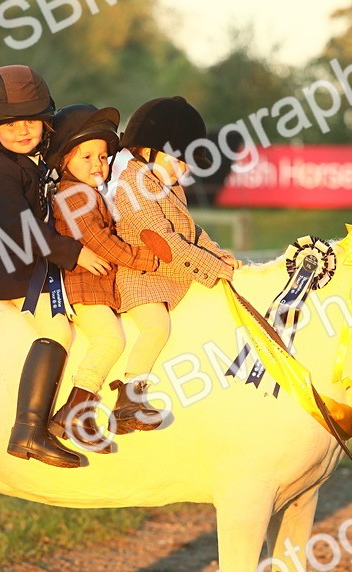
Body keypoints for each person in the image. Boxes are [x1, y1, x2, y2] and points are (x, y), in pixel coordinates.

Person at [0, 65, 111, 468]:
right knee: (57, 329)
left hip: (37, 268)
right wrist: (75, 253)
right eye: (10, 124)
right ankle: (29, 429)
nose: (23, 129)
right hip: (12, 272)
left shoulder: (32, 162)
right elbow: (25, 231)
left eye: (31, 120)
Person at [108, 96, 242, 426]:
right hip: (141, 278)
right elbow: (166, 246)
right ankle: (129, 398)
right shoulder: (130, 187)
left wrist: (218, 254)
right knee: (156, 327)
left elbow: (189, 232)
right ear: (147, 149)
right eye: (178, 160)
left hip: (169, 277)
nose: (184, 169)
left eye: (187, 163)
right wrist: (215, 269)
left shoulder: (167, 186)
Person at [45, 103, 159, 452]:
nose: (98, 164)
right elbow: (99, 241)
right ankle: (73, 410)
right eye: (87, 157)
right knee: (110, 341)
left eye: (104, 156)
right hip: (83, 289)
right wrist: (142, 259)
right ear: (65, 162)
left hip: (97, 288)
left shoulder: (90, 192)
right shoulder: (72, 194)